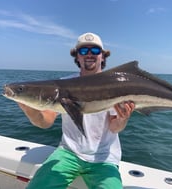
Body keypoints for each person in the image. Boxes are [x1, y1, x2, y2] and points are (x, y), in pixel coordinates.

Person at [18, 32, 135, 189]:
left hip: (104, 159)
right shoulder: (63, 84)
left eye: (94, 51)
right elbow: (45, 122)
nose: (89, 54)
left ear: (102, 56)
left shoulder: (115, 85)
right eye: (83, 51)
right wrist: (30, 109)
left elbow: (114, 127)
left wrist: (122, 118)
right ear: (77, 56)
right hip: (68, 153)